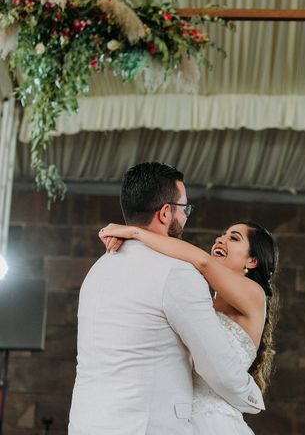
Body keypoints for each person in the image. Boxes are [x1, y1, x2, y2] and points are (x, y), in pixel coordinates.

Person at [69, 162, 265, 435]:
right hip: (146, 426)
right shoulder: (177, 273)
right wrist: (251, 398)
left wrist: (136, 233)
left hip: (86, 423)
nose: (186, 217)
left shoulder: (99, 269)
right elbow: (216, 364)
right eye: (184, 209)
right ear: (164, 213)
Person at [98, 216, 279, 435]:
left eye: (234, 238)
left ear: (252, 261)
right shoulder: (203, 303)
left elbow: (202, 261)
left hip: (216, 425)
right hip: (175, 421)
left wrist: (135, 233)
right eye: (222, 235)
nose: (221, 239)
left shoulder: (255, 296)